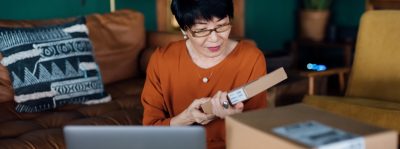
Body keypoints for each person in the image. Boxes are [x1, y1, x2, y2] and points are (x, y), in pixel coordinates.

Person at [141, 0, 267, 148]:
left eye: (221, 26)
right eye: (201, 30)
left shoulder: (251, 58)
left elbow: (258, 130)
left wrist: (235, 118)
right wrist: (186, 118)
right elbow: (151, 131)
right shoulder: (162, 60)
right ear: (184, 30)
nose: (214, 39)